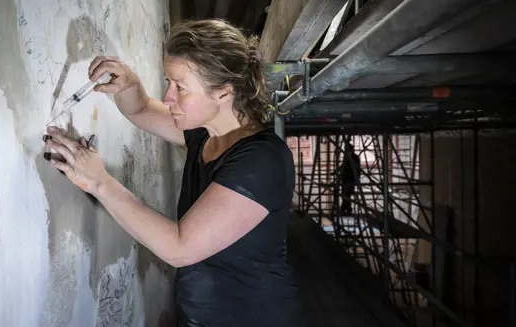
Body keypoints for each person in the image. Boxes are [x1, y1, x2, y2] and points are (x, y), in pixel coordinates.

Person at [43, 19, 305, 326]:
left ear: (223, 93)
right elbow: (140, 109)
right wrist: (129, 84)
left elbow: (180, 248)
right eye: (169, 82)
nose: (169, 97)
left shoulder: (262, 160)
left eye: (180, 87)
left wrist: (101, 183)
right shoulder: (207, 134)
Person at [337, 142, 361, 216]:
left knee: (346, 194)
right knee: (345, 194)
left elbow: (357, 168)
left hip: (350, 178)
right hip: (346, 178)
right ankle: (346, 209)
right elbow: (343, 166)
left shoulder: (354, 157)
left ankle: (346, 209)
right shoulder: (347, 157)